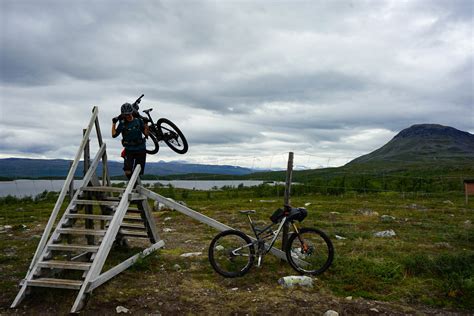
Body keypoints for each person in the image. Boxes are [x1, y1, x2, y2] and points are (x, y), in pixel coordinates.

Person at [112, 103, 149, 179]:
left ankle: (134, 186)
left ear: (132, 112)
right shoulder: (122, 123)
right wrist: (114, 123)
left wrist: (146, 124)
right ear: (123, 115)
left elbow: (146, 134)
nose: (128, 116)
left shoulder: (138, 121)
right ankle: (133, 186)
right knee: (127, 171)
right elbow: (114, 135)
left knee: (138, 171)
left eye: (129, 114)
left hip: (140, 148)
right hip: (129, 149)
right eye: (126, 115)